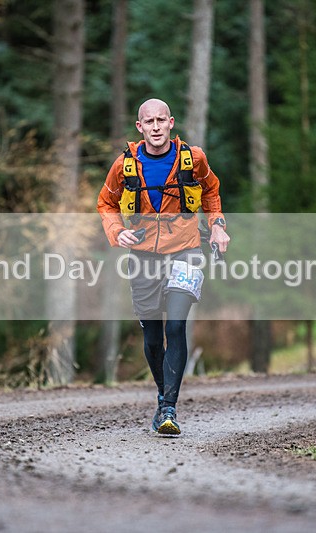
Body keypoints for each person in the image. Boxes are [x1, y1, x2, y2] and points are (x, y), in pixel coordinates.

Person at [97, 98, 229, 435]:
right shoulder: (125, 164)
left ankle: (169, 407)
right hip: (143, 255)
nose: (156, 127)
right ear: (139, 127)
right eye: (149, 122)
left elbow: (211, 191)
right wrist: (117, 231)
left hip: (185, 250)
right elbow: (106, 202)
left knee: (175, 328)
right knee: (153, 337)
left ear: (171, 123)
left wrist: (217, 225)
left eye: (161, 120)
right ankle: (161, 396)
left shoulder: (193, 158)